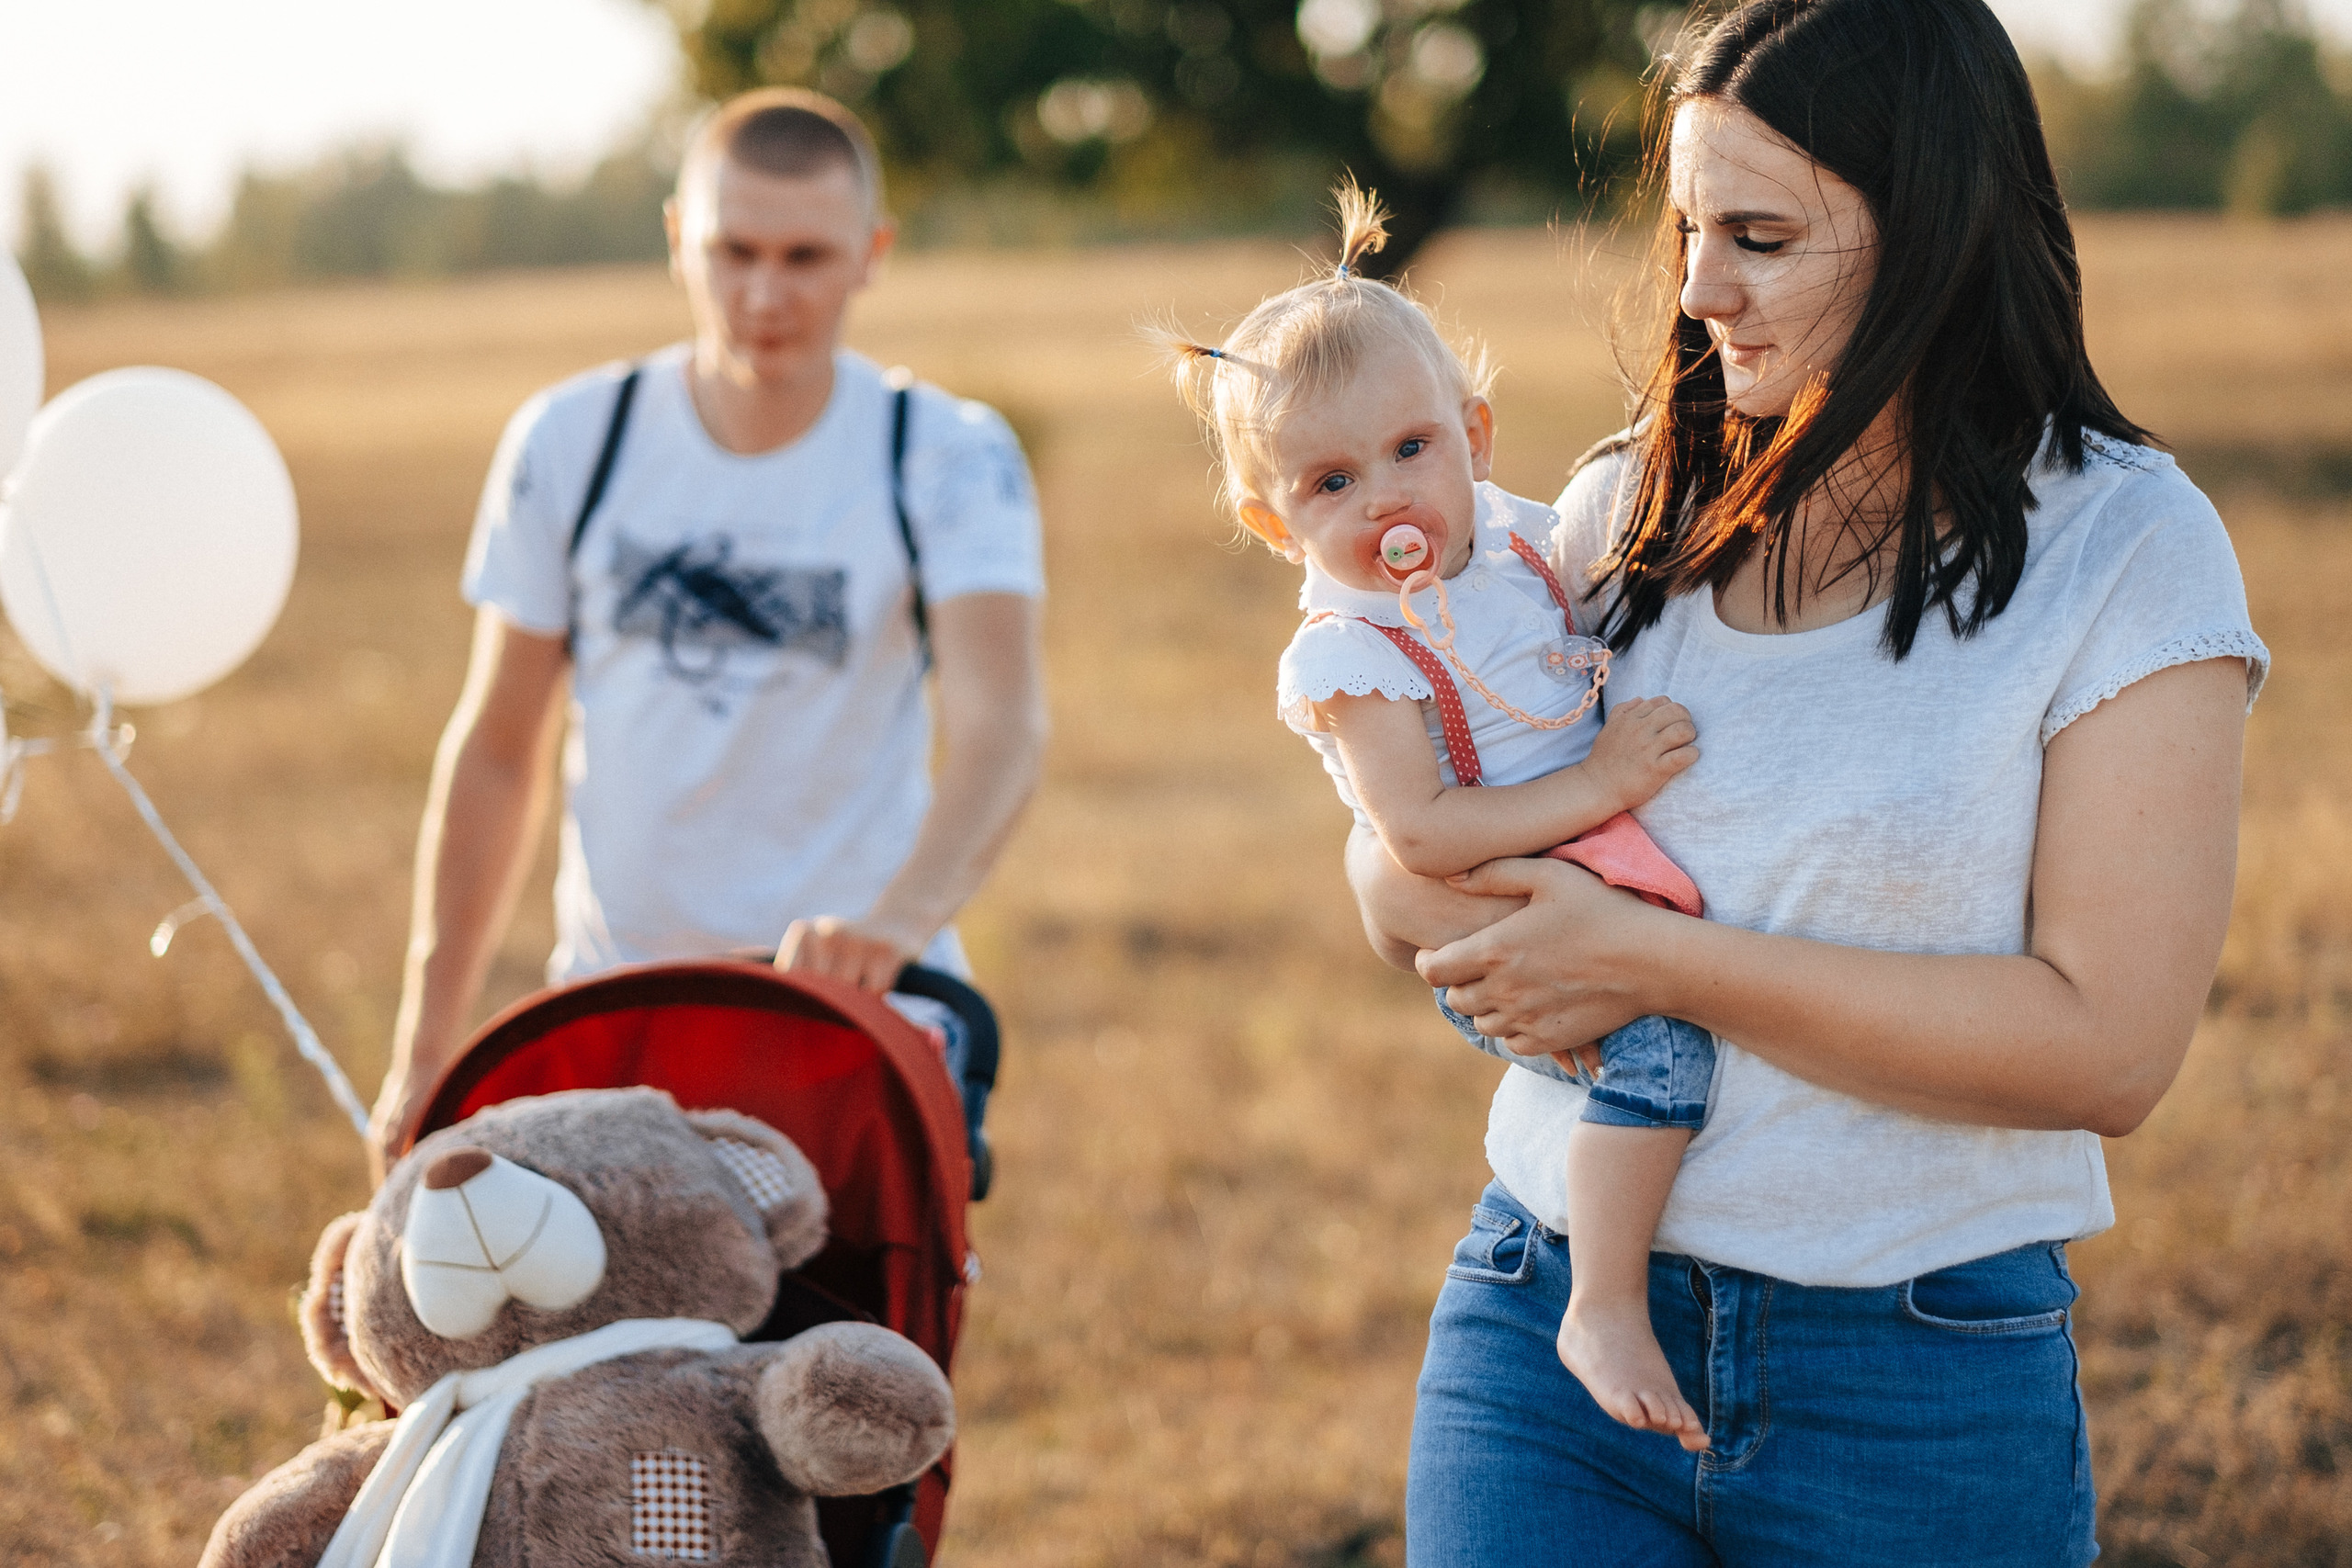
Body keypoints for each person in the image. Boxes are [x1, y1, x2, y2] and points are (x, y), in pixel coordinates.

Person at [1353, 1, 2269, 1562]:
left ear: (1932, 233)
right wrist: (1435, 884)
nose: (1698, 286)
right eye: (1693, 226)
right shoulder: (1618, 508)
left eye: (1760, 236)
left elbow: (2107, 1051)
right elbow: (1390, 870)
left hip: (1917, 1379)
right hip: (1546, 1325)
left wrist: (1644, 957)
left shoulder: (2129, 546)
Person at [366, 89, 1048, 1176]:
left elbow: (1002, 727)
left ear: (872, 254)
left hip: (854, 1023)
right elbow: (497, 752)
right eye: (732, 251)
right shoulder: (574, 439)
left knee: (844, 1349)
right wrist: (426, 1047)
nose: (765, 294)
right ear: (680, 240)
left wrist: (893, 927)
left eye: (805, 257)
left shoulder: (945, 452)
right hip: (610, 1012)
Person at [1158, 184, 1720, 1449]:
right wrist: (1602, 786)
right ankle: (1606, 1301)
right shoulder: (1349, 653)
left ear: (1475, 432)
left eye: (1412, 450)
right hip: (1496, 892)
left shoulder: (1524, 542)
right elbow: (1417, 834)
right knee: (1658, 1054)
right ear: (1271, 519)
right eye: (1330, 481)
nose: (1384, 499)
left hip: (1589, 849)